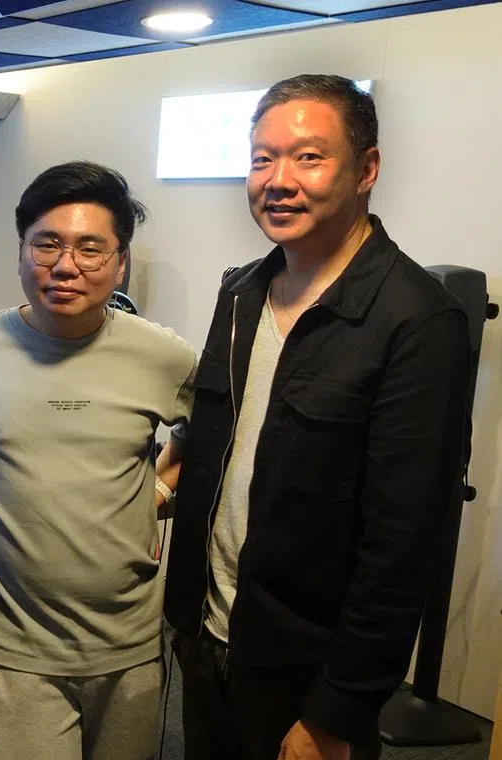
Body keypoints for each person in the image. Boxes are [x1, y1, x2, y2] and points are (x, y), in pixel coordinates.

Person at [163, 74, 473, 760]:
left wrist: (336, 712)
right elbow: (220, 448)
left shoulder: (416, 320)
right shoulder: (241, 292)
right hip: (209, 640)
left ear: (367, 169)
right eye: (262, 158)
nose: (278, 179)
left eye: (308, 156)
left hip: (306, 680)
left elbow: (404, 542)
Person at [0, 161, 197, 760]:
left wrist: (159, 491)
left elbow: (207, 431)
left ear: (120, 262)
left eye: (91, 249)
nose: (66, 265)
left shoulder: (161, 354)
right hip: (14, 648)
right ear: (20, 253)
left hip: (129, 643)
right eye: (47, 244)